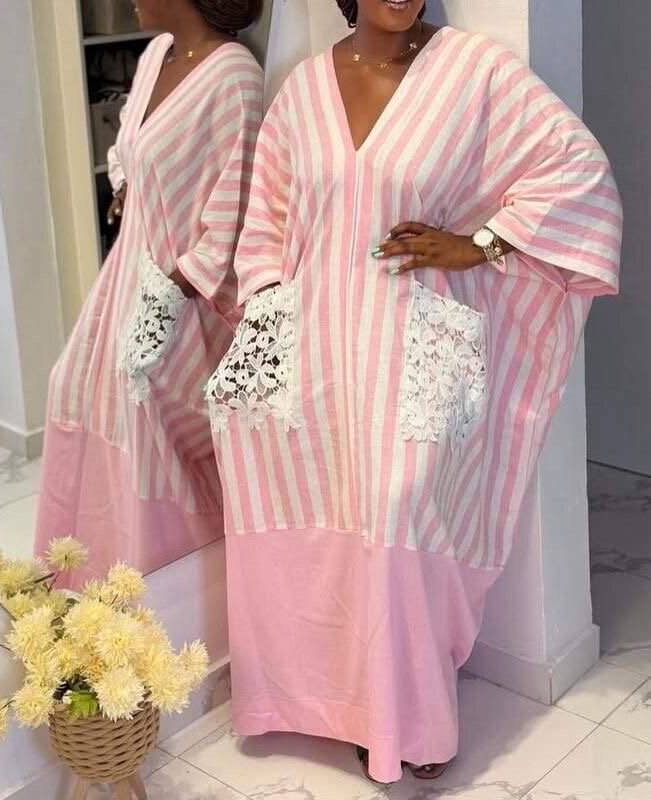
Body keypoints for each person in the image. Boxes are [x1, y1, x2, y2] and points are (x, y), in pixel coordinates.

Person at [205, 0, 622, 785]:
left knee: (399, 514)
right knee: (301, 517)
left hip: (417, 347)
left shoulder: (475, 73)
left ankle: (404, 718)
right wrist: (267, 320)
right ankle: (307, 698)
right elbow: (265, 224)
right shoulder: (301, 90)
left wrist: (481, 244)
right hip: (313, 353)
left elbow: (576, 170)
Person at [34, 0, 263, 587]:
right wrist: (125, 187)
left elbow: (235, 206)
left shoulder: (235, 77)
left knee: (139, 411)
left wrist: (170, 294)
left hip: (188, 298)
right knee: (72, 385)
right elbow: (129, 149)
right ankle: (88, 577)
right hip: (127, 274)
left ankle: (167, 589)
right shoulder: (158, 53)